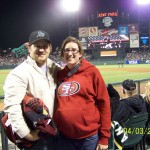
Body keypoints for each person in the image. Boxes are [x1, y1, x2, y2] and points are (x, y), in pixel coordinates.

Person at [3, 30, 61, 150]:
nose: (41, 49)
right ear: (29, 48)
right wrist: (26, 134)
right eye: (37, 46)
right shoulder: (19, 73)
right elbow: (12, 107)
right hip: (38, 137)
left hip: (58, 133)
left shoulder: (56, 69)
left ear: (50, 48)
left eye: (44, 46)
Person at [54, 36, 111, 150]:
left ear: (80, 53)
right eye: (66, 50)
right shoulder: (59, 75)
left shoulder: (92, 72)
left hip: (88, 138)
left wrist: (104, 137)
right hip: (64, 137)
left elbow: (104, 104)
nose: (70, 53)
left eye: (74, 50)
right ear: (62, 54)